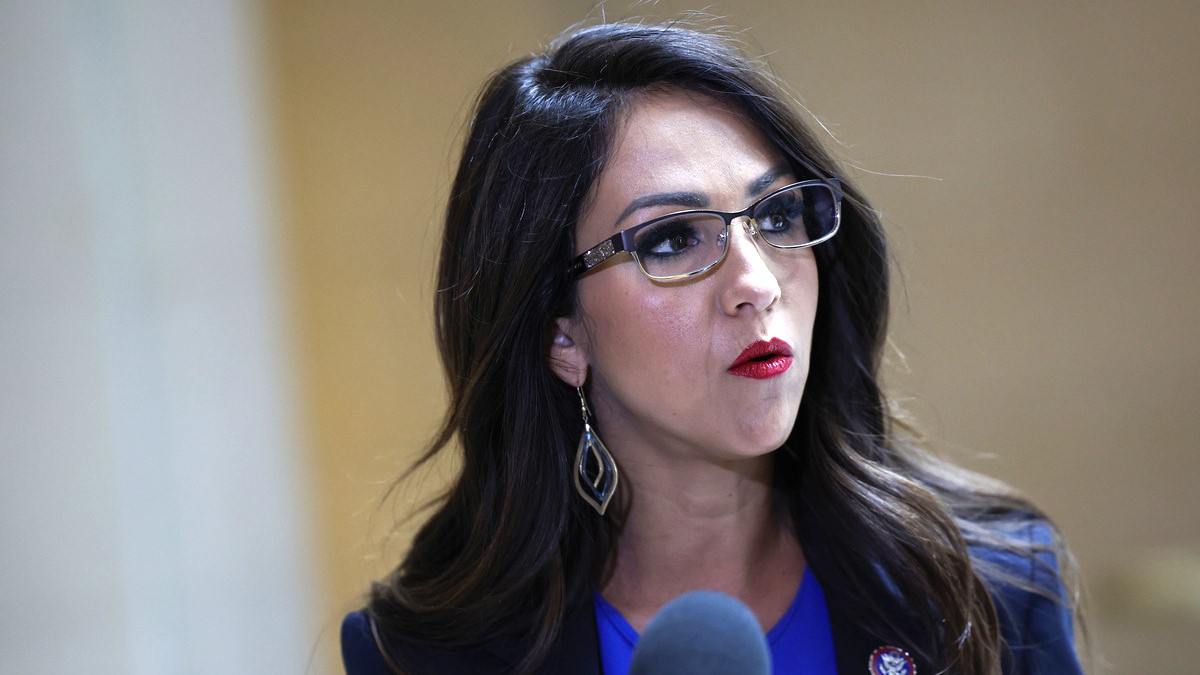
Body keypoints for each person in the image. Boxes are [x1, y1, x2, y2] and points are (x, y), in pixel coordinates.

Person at [340, 20, 1084, 675]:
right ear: (562, 335)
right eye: (671, 239)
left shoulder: (993, 584)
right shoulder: (422, 654)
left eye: (777, 214)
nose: (756, 282)